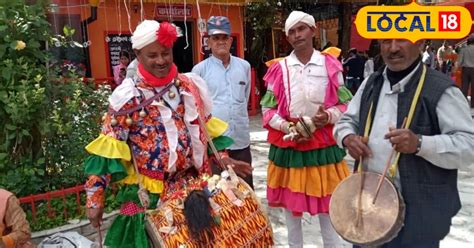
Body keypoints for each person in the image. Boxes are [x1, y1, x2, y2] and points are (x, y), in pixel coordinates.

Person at [84, 20, 251, 248]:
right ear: (137, 54)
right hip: (147, 195)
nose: (161, 60)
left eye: (165, 53)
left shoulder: (188, 86)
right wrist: (94, 199)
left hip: (191, 189)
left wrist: (220, 156)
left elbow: (205, 131)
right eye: (152, 55)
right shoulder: (127, 97)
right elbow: (106, 152)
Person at [334, 38, 474, 247]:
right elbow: (346, 121)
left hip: (420, 213)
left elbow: (469, 145)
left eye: (402, 40)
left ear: (421, 44)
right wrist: (347, 138)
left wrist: (420, 144)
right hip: (369, 206)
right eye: (386, 41)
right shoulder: (371, 83)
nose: (393, 48)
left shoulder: (441, 89)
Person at [260, 10, 351, 248]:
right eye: (292, 31)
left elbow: (346, 103)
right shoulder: (279, 69)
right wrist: (288, 126)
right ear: (287, 37)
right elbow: (267, 111)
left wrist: (327, 117)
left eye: (302, 29)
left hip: (322, 145)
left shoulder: (330, 63)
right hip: (289, 144)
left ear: (312, 30)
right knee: (292, 214)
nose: (297, 35)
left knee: (328, 211)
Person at [192, 16, 254, 188]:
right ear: (208, 41)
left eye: (224, 37)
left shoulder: (244, 66)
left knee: (244, 190)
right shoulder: (199, 71)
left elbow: (245, 98)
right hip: (216, 145)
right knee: (218, 192)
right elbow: (197, 109)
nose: (220, 42)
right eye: (215, 38)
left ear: (231, 40)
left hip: (240, 141)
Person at [456, 34, 474, 107]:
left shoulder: (464, 49)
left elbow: (459, 61)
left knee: (464, 87)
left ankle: (463, 104)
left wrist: (455, 68)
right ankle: (473, 104)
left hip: (465, 70)